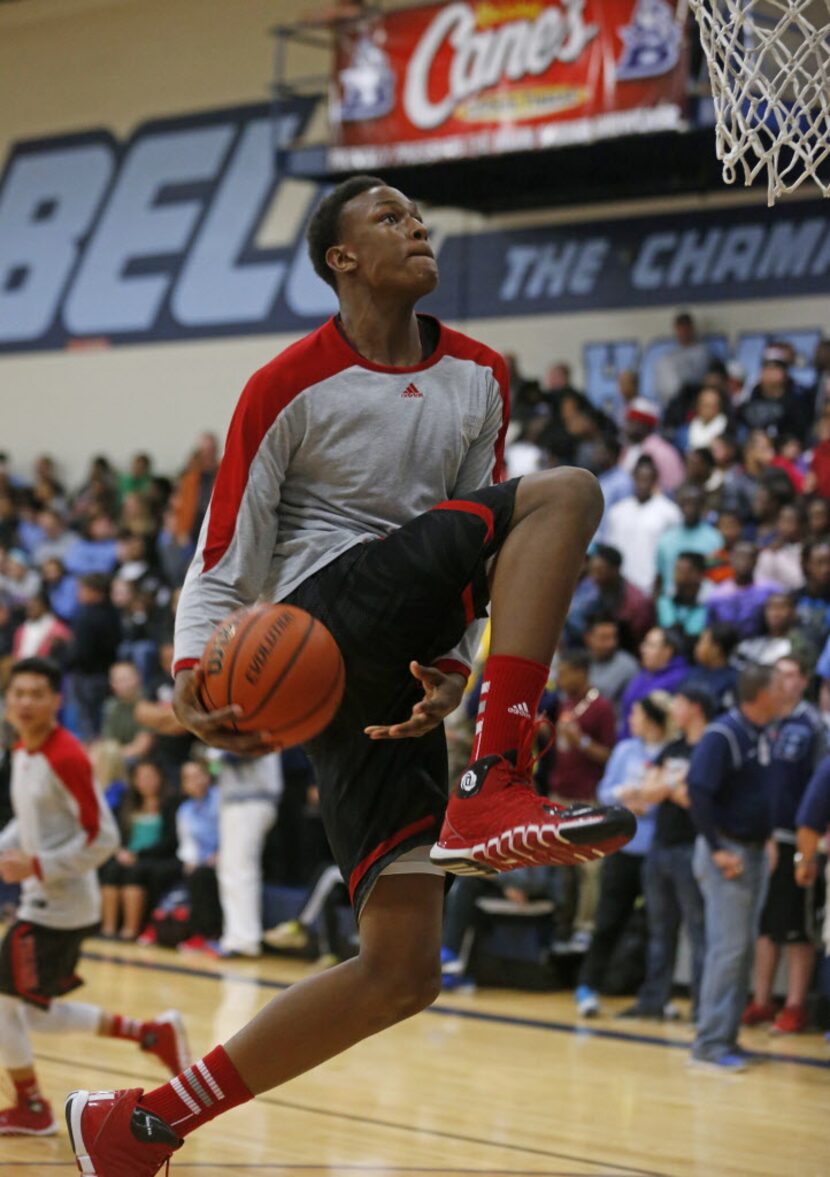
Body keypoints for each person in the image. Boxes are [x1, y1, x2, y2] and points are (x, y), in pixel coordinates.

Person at [65, 176, 636, 1174]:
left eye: (417, 217)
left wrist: (452, 666)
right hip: (312, 619)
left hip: (390, 654)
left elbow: (480, 540)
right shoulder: (286, 383)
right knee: (569, 492)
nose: (415, 228)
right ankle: (492, 781)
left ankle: (139, 1124)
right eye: (388, 218)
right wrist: (192, 673)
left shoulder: (478, 375)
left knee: (400, 967)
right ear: (341, 259)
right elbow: (222, 552)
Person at [0, 658, 190, 1136]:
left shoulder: (65, 757)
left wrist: (38, 865)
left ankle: (32, 1107)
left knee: (3, 1006)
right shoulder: (22, 750)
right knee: (34, 1016)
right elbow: (30, 823)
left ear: (56, 701)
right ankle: (151, 1033)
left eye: (35, 693)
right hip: (42, 899)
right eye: (16, 692)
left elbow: (103, 837)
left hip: (59, 905)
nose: (24, 702)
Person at [688, 662, 785, 1072]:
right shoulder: (722, 735)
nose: (786, 691)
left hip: (752, 851)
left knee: (741, 951)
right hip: (726, 852)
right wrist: (715, 849)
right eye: (779, 686)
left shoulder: (761, 731)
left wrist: (766, 838)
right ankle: (709, 1045)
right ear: (760, 694)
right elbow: (697, 789)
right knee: (728, 952)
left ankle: (725, 1038)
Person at [617, 688, 713, 1021]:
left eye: (682, 703)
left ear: (695, 707)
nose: (676, 709)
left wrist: (668, 788)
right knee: (661, 931)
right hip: (660, 847)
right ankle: (652, 1002)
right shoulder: (673, 748)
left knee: (699, 931)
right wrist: (673, 786)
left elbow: (695, 800)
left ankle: (702, 1009)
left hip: (692, 847)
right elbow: (649, 791)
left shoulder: (708, 749)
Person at [574, 693, 672, 1016]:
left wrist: (654, 802)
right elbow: (604, 790)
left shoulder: (673, 753)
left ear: (653, 719)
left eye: (637, 715)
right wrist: (624, 797)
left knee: (658, 927)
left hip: (657, 852)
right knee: (608, 920)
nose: (630, 720)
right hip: (623, 849)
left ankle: (656, 994)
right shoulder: (626, 750)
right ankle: (588, 986)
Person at [742, 655, 825, 1034]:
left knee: (796, 927)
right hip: (765, 838)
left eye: (793, 674)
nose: (786, 681)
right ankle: (761, 1001)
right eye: (780, 675)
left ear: (804, 681)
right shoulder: (764, 724)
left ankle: (794, 1005)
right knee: (765, 926)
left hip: (799, 837)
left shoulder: (812, 726)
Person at [547, 649, 616, 952]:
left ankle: (585, 928)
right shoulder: (565, 702)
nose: (559, 678)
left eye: (564, 672)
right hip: (559, 793)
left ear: (581, 672)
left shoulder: (601, 707)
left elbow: (610, 756)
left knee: (589, 869)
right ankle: (561, 925)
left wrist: (583, 742)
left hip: (587, 796)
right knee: (561, 866)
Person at [98, 758, 180, 941]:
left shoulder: (170, 804)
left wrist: (139, 854)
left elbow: (170, 840)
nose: (146, 781)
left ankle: (130, 929)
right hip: (128, 854)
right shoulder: (128, 805)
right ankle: (108, 927)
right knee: (111, 870)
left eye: (150, 776)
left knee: (134, 873)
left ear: (160, 778)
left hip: (155, 856)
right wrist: (120, 851)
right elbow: (118, 835)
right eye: (141, 777)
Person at [606, 456, 682, 593]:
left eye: (647, 480)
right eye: (639, 479)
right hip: (621, 586)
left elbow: (672, 553)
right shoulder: (617, 511)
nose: (643, 484)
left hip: (651, 585)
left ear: (655, 481)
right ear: (633, 479)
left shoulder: (670, 512)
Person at [619, 627, 689, 737]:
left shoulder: (679, 679)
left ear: (667, 651)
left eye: (650, 645)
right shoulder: (643, 674)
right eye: (644, 644)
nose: (643, 649)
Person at [654, 484, 722, 597]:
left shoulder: (714, 539)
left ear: (702, 506)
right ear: (679, 506)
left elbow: (717, 577)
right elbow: (660, 576)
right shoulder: (666, 539)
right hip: (670, 603)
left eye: (694, 503)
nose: (689, 508)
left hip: (702, 605)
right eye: (685, 503)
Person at [584, 613, 639, 708]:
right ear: (588, 638)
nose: (611, 644)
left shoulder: (628, 667)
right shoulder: (579, 661)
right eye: (604, 638)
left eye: (613, 637)